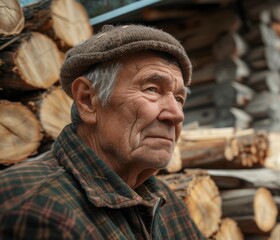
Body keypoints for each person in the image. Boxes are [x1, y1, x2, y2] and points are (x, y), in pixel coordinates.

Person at [0, 24, 206, 239]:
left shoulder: (166, 201)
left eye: (179, 99)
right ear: (88, 100)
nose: (176, 114)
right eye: (152, 89)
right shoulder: (35, 207)